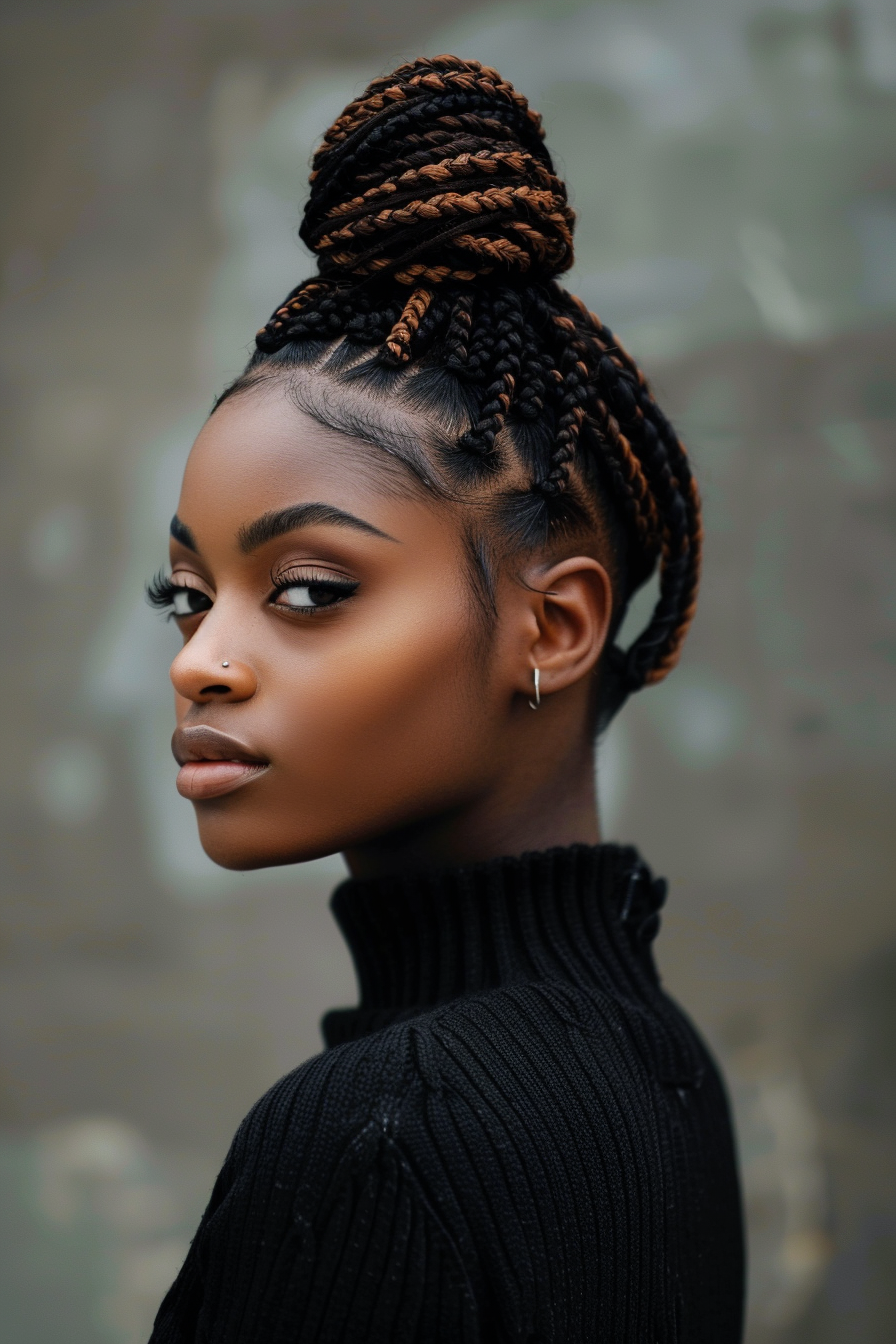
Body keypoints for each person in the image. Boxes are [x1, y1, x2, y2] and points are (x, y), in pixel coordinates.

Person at [147, 54, 744, 1343]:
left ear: (557, 624)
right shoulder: (663, 1059)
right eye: (186, 594)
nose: (200, 659)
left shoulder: (378, 1141)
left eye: (308, 588)